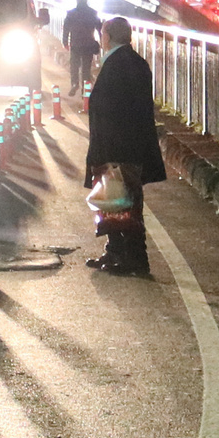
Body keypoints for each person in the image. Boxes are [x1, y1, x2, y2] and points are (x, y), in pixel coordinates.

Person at [83, 16, 164, 275]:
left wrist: (106, 153)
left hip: (119, 149)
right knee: (113, 201)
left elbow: (116, 111)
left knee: (126, 203)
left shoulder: (119, 65)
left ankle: (136, 259)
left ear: (107, 36)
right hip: (123, 146)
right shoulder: (131, 61)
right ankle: (115, 251)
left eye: (102, 34)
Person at [61, 0, 102, 92]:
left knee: (74, 65)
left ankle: (74, 84)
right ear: (86, 0)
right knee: (86, 67)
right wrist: (102, 41)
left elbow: (66, 29)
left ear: (77, 0)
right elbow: (99, 28)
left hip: (75, 44)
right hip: (89, 44)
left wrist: (65, 42)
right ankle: (85, 87)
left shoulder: (71, 13)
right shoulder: (93, 13)